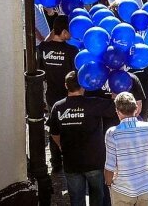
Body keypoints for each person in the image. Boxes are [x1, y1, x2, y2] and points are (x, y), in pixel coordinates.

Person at [47, 71, 116, 206]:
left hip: (71, 162)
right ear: (83, 86)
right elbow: (116, 107)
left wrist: (61, 145)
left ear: (66, 86)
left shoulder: (58, 107)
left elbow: (53, 132)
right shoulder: (94, 103)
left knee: (77, 199)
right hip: (95, 161)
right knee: (98, 198)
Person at [104, 92, 148, 206]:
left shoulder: (112, 133)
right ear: (136, 108)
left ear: (117, 111)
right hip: (145, 188)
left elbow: (109, 167)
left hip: (122, 190)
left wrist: (109, 184)